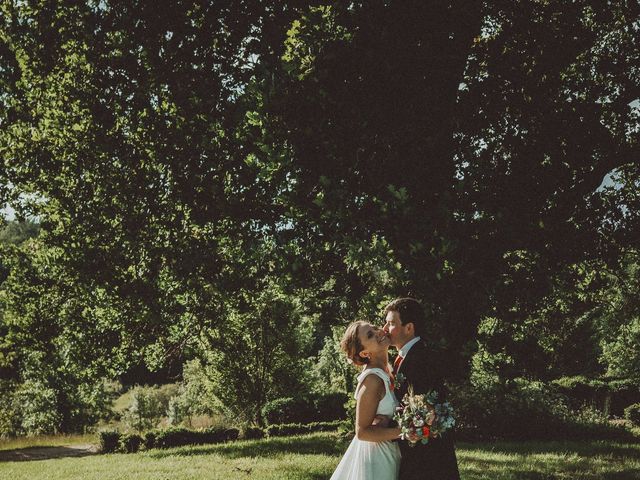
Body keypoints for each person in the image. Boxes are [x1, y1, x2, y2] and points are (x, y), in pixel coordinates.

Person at [382, 297, 460, 480]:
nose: (385, 329)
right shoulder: (407, 355)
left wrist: (384, 429)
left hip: (427, 460)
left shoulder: (420, 359)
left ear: (409, 328)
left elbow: (424, 412)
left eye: (391, 323)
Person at [330, 320, 402, 480]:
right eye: (370, 335)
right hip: (376, 459)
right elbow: (361, 432)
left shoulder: (387, 371)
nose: (378, 332)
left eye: (375, 328)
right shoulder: (372, 380)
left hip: (389, 450)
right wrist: (404, 431)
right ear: (364, 353)